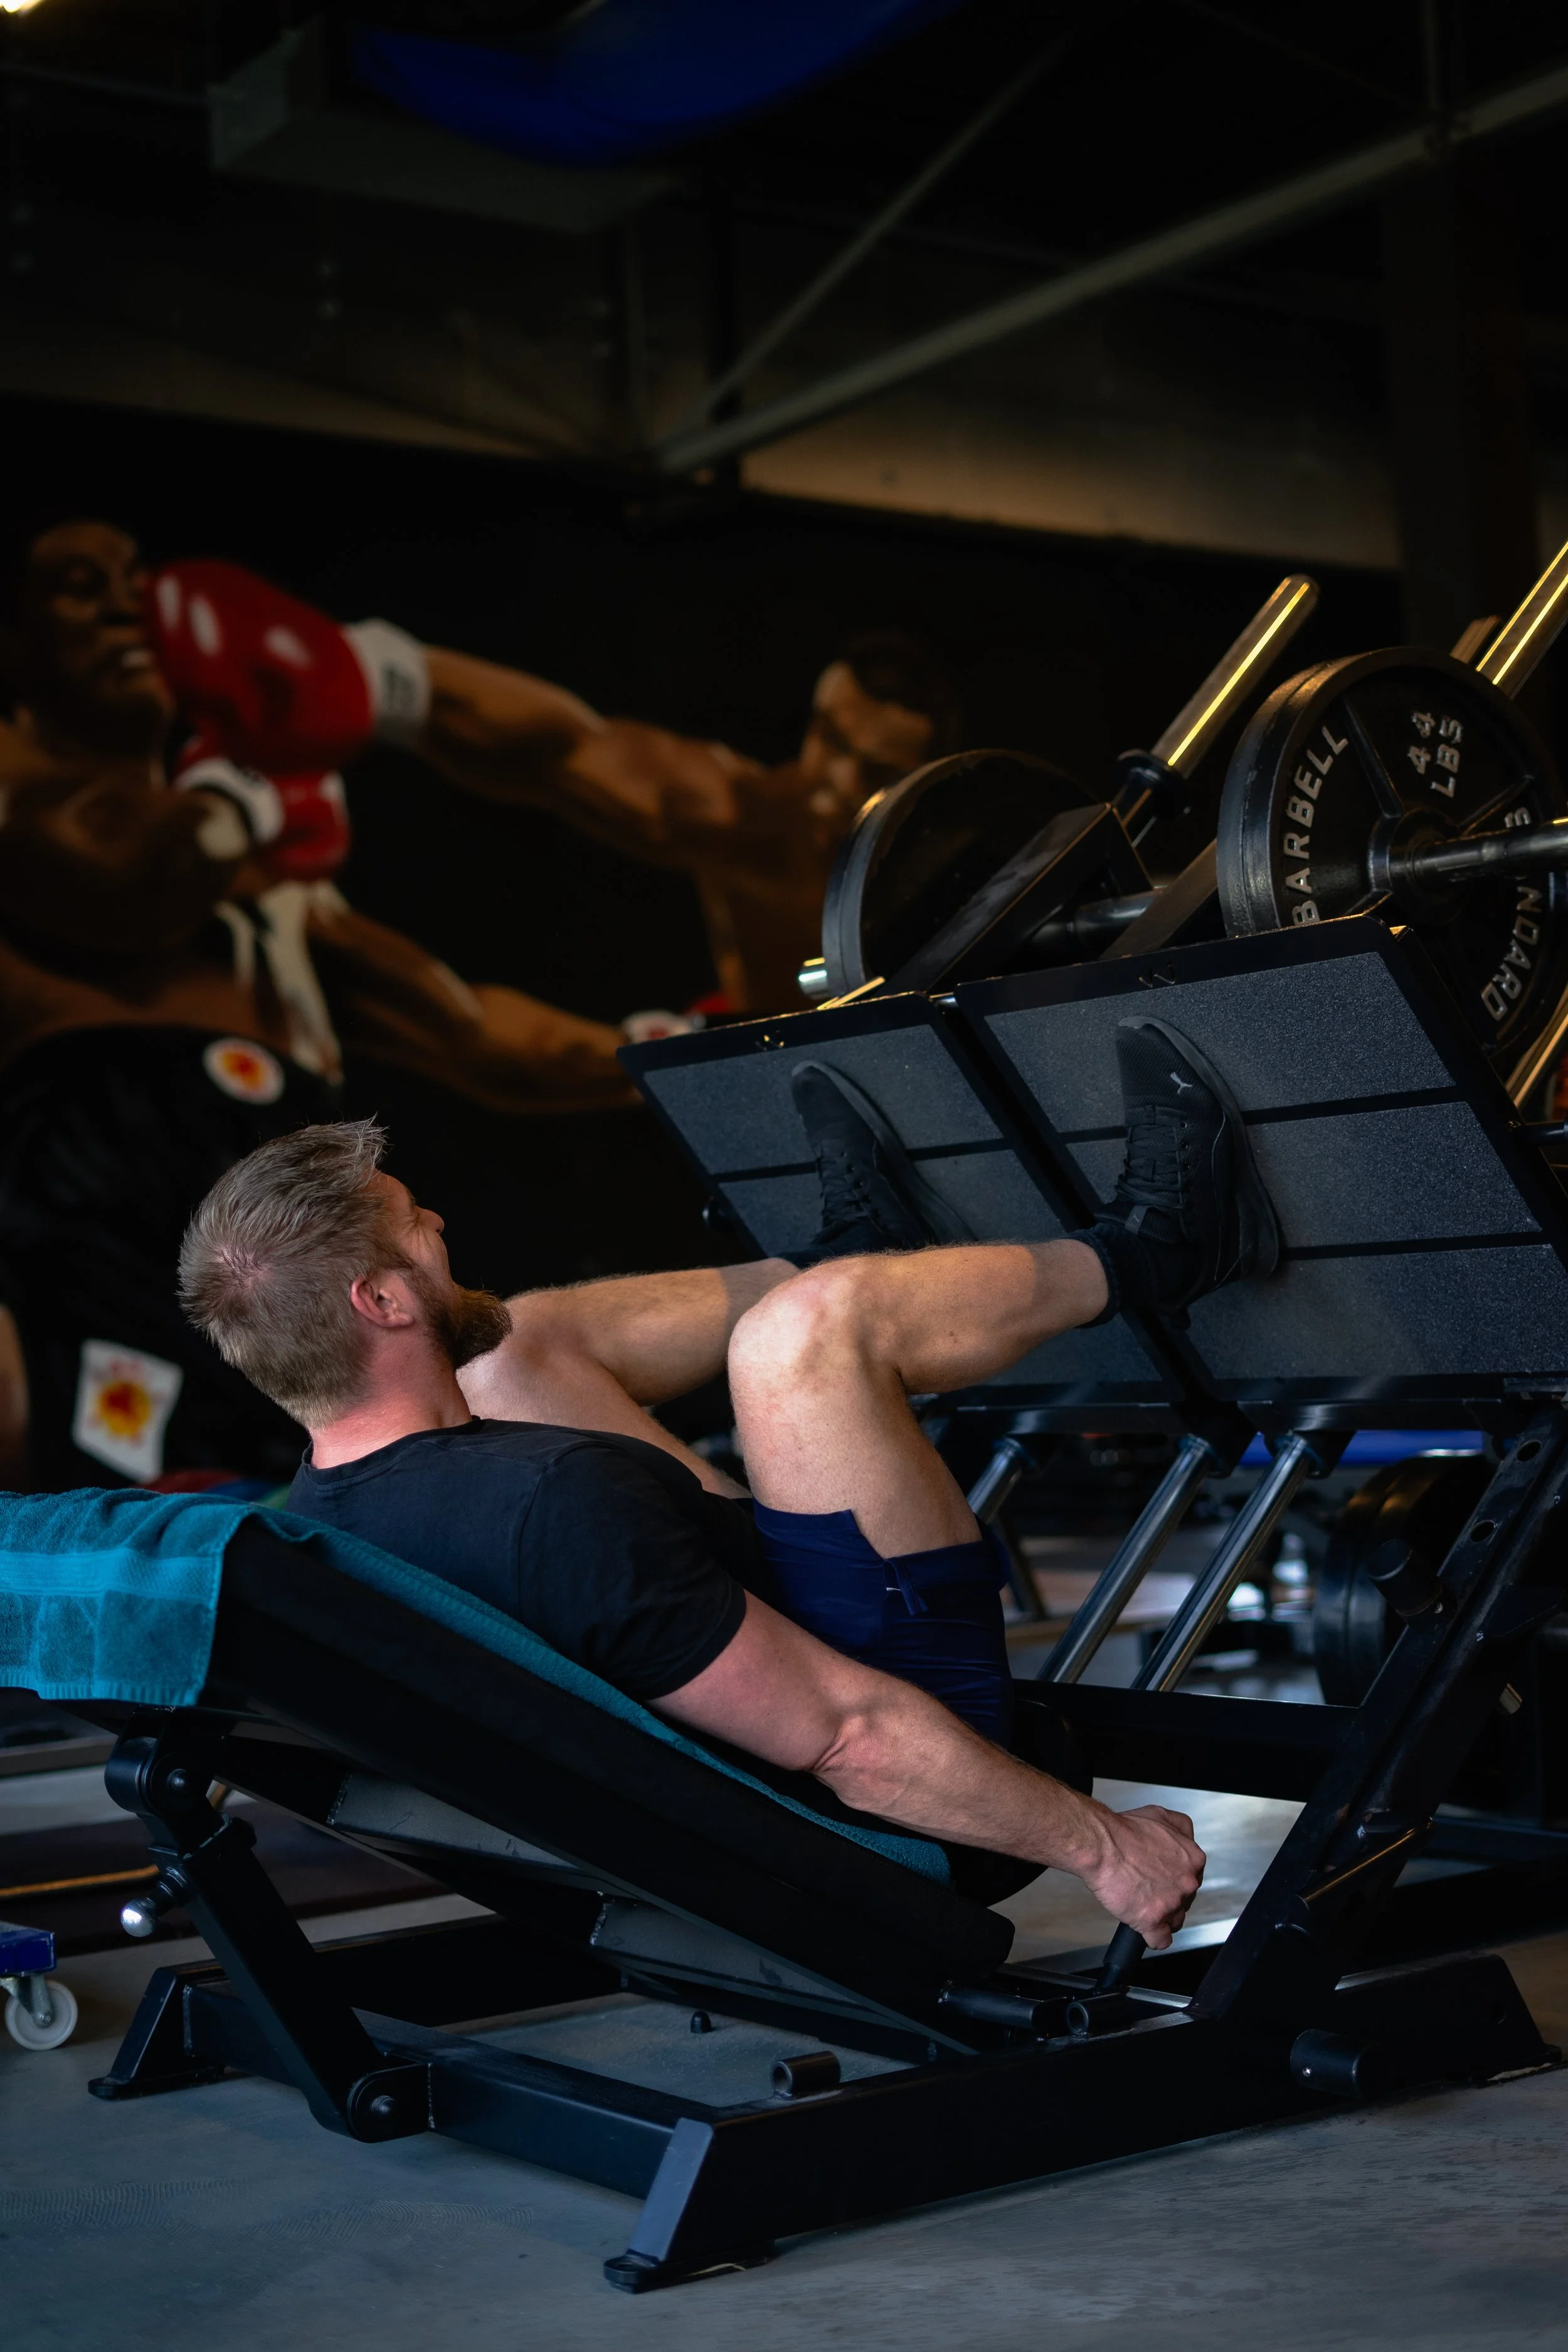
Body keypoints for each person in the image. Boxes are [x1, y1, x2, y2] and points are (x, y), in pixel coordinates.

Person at [178, 1014, 1279, 1941]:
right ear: (380, 1303)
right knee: (803, 1337)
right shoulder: (554, 1503)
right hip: (905, 1771)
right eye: (413, 1226)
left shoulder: (328, 1520)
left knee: (518, 1343)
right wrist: (1104, 1845)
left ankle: (861, 1242)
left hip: (729, 1684)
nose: (439, 1225)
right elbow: (854, 1741)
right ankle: (1164, 1248)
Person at [0, 519, 750, 1485]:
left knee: (343, 1488)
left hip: (294, 1223)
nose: (121, 604)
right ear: (13, 638)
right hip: (101, 1180)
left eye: (130, 579)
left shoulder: (263, 876)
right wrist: (253, 787)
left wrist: (678, 1047)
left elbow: (471, 1032)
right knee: (122, 1502)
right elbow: (120, 873)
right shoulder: (46, 797)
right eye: (76, 584)